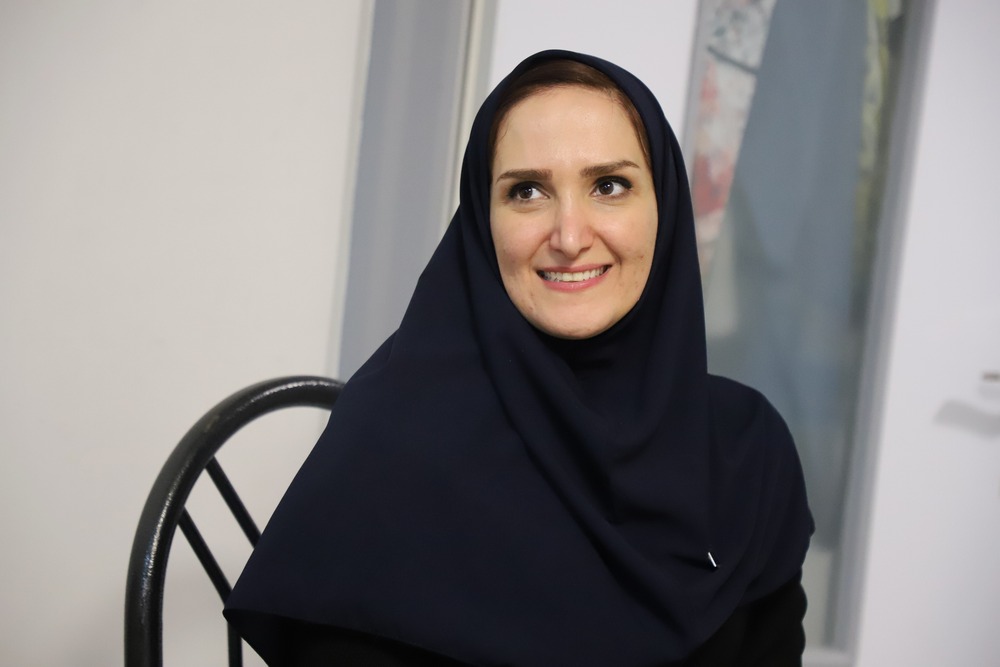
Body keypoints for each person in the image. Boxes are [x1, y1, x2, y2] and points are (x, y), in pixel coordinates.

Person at [224, 50, 813, 666]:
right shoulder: (388, 455)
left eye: (608, 186)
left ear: (663, 205)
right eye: (527, 191)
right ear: (482, 221)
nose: (569, 237)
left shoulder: (746, 451)